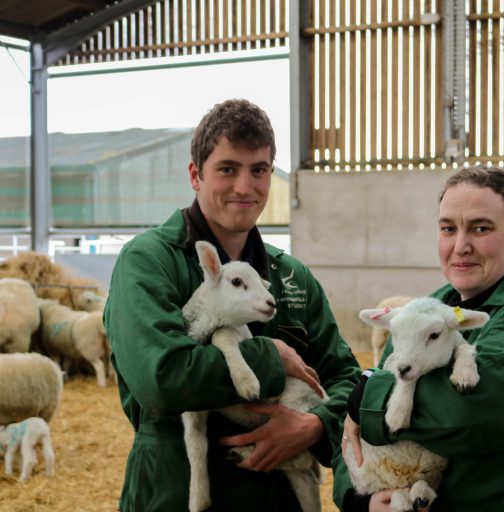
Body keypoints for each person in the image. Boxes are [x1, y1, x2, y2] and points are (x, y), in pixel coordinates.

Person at [104, 98, 361, 511]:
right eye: (227, 169)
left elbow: (344, 377)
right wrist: (270, 357)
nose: (244, 187)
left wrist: (314, 424)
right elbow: (162, 378)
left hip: (278, 500)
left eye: (259, 170)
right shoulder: (150, 262)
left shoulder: (292, 277)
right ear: (195, 175)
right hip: (175, 494)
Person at [333, 166, 504, 511]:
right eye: (448, 229)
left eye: (481, 228)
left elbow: (468, 413)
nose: (461, 246)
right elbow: (351, 432)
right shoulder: (426, 311)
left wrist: (364, 397)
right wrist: (361, 501)